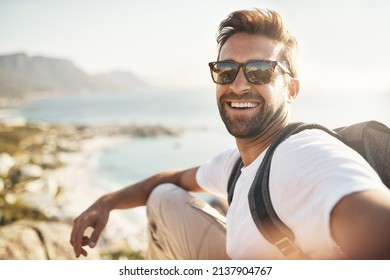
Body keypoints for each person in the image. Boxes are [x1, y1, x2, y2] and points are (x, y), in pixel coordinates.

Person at [70, 8, 390, 260]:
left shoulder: (303, 155)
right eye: (226, 70)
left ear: (291, 89)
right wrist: (106, 201)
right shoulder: (237, 163)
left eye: (259, 70)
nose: (238, 85)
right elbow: (173, 179)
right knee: (163, 197)